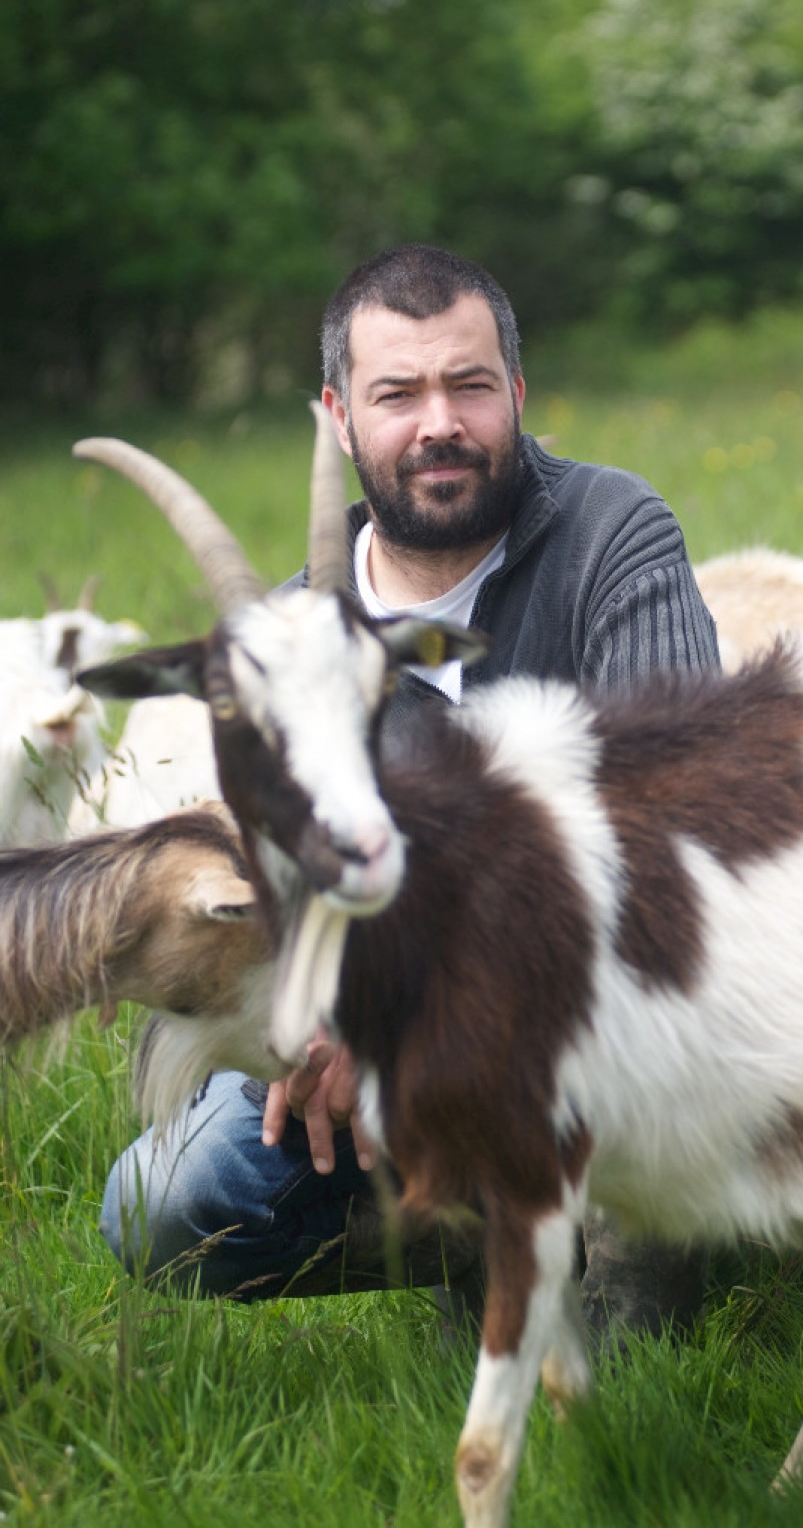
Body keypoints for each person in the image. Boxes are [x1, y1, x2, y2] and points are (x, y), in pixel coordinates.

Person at [100, 243, 721, 1340]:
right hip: (385, 1069)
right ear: (342, 416)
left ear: (517, 396)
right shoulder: (289, 635)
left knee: (632, 1363)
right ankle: (476, 1237)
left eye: (470, 385)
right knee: (164, 1198)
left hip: (604, 1048)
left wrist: (409, 1026)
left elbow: (673, 827)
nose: (440, 421)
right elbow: (275, 882)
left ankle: (642, 1248)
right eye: (399, 393)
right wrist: (305, 1030)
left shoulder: (612, 534)